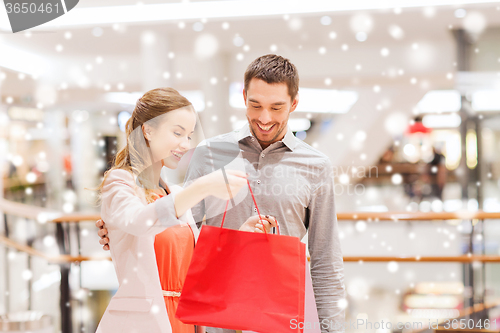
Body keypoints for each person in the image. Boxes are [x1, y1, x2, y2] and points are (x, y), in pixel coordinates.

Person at [99, 55, 346, 333]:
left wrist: (331, 329)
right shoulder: (209, 154)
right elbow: (179, 232)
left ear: (295, 103)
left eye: (277, 108)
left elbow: (326, 260)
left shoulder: (316, 166)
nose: (265, 118)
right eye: (255, 105)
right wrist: (122, 228)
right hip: (211, 319)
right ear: (243, 97)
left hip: (278, 317)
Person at [94, 87, 277, 333]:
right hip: (146, 323)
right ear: (148, 130)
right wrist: (202, 187)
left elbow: (198, 268)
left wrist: (241, 237)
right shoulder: (120, 182)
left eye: (189, 135)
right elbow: (139, 221)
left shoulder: (174, 193)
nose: (186, 144)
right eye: (178, 133)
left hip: (185, 320)